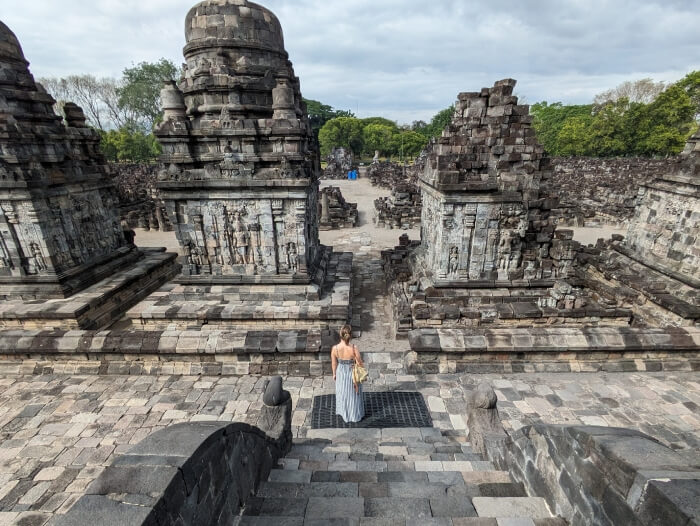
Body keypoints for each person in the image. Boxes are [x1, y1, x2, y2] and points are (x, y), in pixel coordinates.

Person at [331, 324, 365, 423]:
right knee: (353, 394)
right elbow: (360, 362)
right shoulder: (354, 348)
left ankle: (344, 413)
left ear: (340, 334)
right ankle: (354, 414)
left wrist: (334, 374)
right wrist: (357, 364)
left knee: (343, 393)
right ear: (350, 335)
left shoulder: (335, 348)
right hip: (352, 372)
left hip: (341, 371)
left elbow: (334, 363)